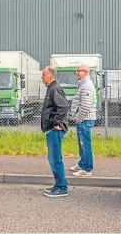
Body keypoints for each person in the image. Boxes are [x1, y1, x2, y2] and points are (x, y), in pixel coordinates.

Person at [40, 66, 70, 198]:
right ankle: (59, 184)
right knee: (54, 158)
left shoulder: (55, 88)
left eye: (44, 74)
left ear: (51, 75)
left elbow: (63, 106)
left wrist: (56, 123)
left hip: (55, 129)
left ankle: (62, 187)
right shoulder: (51, 88)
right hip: (52, 129)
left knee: (55, 159)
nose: (42, 77)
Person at [69, 64, 97, 177]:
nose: (76, 73)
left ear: (85, 72)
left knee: (85, 144)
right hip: (82, 120)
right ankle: (82, 164)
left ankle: (87, 169)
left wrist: (78, 119)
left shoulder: (87, 86)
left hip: (85, 119)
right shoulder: (83, 84)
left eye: (78, 71)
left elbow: (85, 106)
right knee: (81, 144)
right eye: (77, 71)